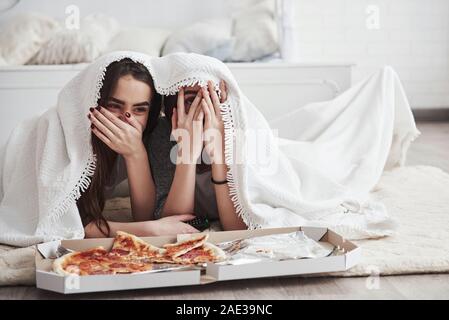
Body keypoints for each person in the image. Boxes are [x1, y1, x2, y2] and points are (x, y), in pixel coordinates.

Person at [79, 58, 199, 238]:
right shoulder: (72, 136)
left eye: (139, 109)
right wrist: (150, 230)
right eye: (114, 105)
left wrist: (136, 154)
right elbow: (65, 224)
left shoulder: (148, 137)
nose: (126, 119)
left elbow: (146, 215)